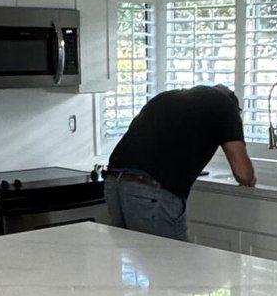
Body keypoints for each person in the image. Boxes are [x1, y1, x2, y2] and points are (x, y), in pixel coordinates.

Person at [103, 84, 256, 240]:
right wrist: (251, 177)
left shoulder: (166, 98)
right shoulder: (226, 107)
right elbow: (243, 174)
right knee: (173, 260)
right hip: (150, 191)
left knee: (137, 256)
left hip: (114, 183)